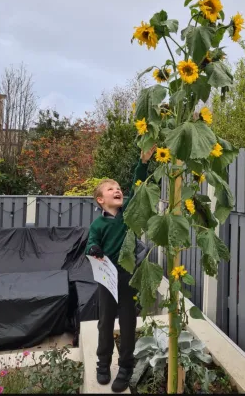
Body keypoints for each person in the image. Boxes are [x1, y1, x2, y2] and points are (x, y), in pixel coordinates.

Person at [85, 145, 156, 393]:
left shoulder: (129, 215)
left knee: (127, 323)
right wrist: (93, 250)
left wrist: (143, 162)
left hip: (129, 277)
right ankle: (102, 364)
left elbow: (138, 187)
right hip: (107, 280)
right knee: (105, 323)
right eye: (110, 189)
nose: (117, 190)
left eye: (118, 188)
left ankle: (125, 366)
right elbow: (91, 244)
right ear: (100, 200)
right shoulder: (98, 225)